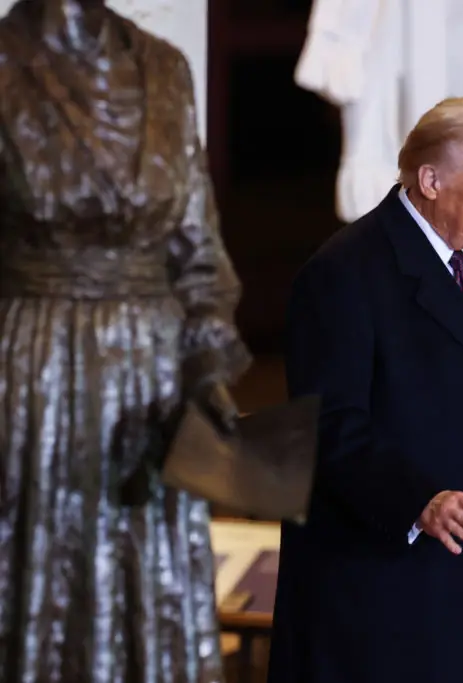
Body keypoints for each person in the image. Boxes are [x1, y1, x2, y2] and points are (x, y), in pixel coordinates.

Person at [268, 96, 463, 683]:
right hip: (387, 591)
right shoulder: (344, 272)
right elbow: (327, 424)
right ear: (431, 180)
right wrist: (420, 499)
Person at [0, 1, 249, 681]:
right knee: (42, 567)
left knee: (149, 576)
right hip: (32, 365)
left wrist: (206, 375)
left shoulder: (164, 69)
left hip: (150, 370)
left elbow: (197, 249)